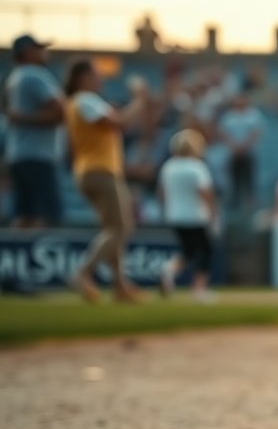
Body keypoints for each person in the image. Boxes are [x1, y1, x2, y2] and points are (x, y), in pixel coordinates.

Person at [64, 59, 148, 303]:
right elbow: (120, 122)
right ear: (82, 78)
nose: (100, 79)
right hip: (101, 171)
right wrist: (140, 99)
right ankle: (82, 273)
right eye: (95, 75)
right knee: (121, 228)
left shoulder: (76, 103)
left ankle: (120, 285)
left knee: (112, 230)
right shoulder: (85, 100)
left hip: (88, 171)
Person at [4, 34, 65, 227]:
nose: (44, 53)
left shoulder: (13, 78)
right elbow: (60, 112)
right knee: (47, 215)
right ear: (27, 52)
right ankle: (40, 256)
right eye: (38, 49)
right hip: (38, 156)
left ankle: (17, 255)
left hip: (18, 154)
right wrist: (25, 118)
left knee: (23, 215)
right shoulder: (34, 74)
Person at [157, 129, 217, 302]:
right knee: (205, 251)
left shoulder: (168, 166)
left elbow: (162, 193)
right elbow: (206, 193)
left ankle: (169, 270)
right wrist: (213, 214)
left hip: (174, 215)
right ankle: (199, 289)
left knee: (188, 252)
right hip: (196, 216)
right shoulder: (196, 167)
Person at [217, 91, 264, 209]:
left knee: (249, 177)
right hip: (233, 152)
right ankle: (234, 200)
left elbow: (256, 132)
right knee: (234, 177)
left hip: (249, 152)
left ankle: (250, 200)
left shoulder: (253, 114)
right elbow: (223, 133)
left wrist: (244, 146)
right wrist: (234, 146)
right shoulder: (229, 115)